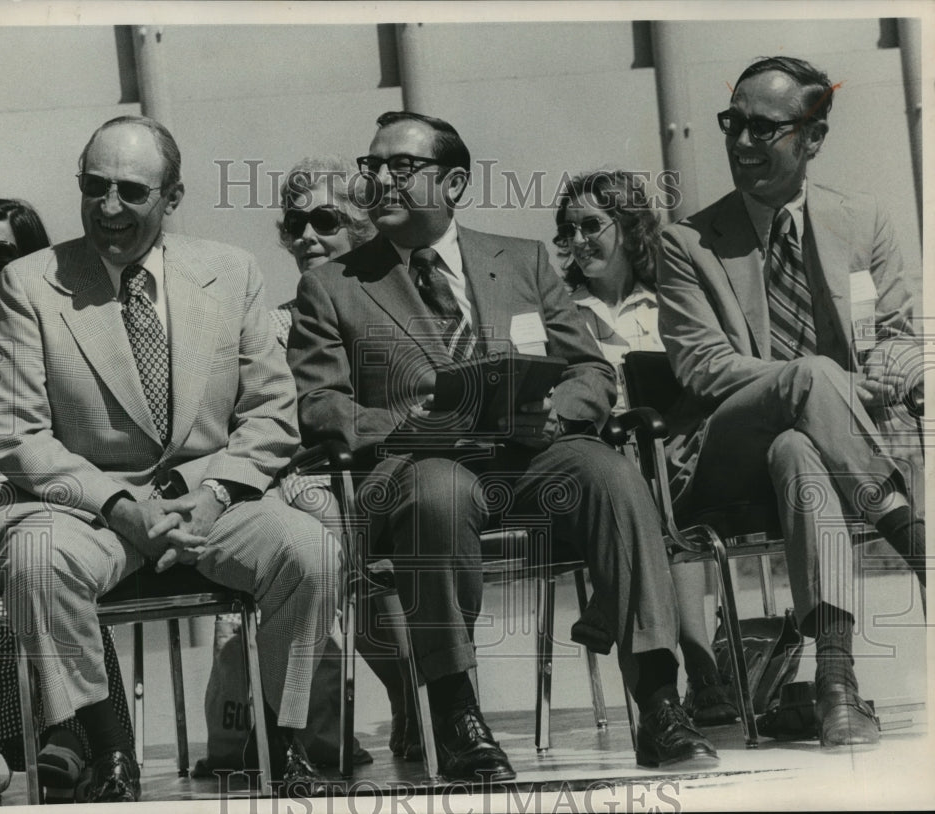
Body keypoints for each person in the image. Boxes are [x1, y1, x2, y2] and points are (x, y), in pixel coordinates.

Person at [287, 110, 719, 781]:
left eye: (400, 167)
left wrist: (557, 410)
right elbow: (319, 402)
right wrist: (408, 420)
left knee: (612, 474)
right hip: (413, 469)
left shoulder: (522, 261)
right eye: (371, 167)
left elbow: (592, 371)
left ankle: (660, 700)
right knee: (441, 485)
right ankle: (456, 714)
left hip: (530, 455)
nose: (379, 180)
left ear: (453, 181)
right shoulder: (334, 285)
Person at [0, 115, 342, 802]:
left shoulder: (231, 272)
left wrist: (207, 499)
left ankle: (282, 740)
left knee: (311, 552)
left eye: (131, 191)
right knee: (32, 561)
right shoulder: (30, 283)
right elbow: (22, 436)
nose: (109, 207)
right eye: (94, 187)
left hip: (213, 499)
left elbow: (271, 415)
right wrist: (124, 508)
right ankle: (106, 749)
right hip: (87, 509)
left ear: (171, 198)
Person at [658, 56, 925, 749]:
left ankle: (837, 685)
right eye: (733, 124)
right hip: (722, 456)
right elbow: (705, 366)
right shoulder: (688, 241)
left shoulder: (862, 220)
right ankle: (916, 543)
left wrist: (886, 375)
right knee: (808, 382)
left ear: (813, 137)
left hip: (827, 453)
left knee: (800, 447)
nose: (742, 142)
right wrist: (822, 380)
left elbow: (900, 336)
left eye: (763, 128)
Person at [0, 199, 134, 804]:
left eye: (2, 252)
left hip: (51, 519)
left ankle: (74, 735)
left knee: (46, 551)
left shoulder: (61, 343)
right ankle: (14, 744)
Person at [554, 170, 737, 728]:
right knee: (640, 487)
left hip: (680, 454)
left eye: (591, 225)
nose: (579, 240)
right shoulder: (558, 309)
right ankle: (702, 677)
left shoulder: (672, 301)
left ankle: (610, 608)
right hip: (604, 467)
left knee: (658, 476)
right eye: (568, 230)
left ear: (630, 227)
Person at [274, 157, 420, 764]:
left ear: (362, 227)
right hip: (312, 474)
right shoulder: (271, 321)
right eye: (295, 223)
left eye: (326, 220)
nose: (307, 235)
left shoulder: (400, 303)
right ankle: (389, 707)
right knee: (331, 528)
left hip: (403, 464)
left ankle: (426, 700)